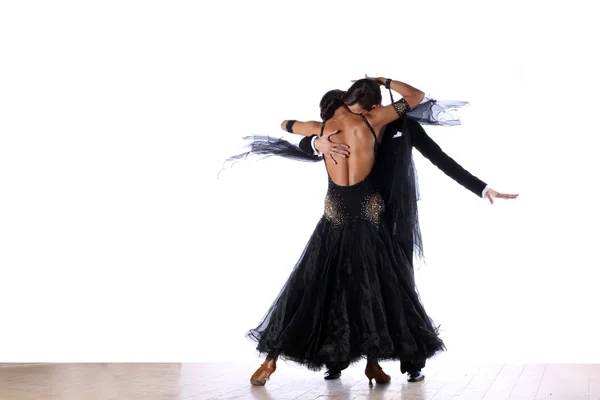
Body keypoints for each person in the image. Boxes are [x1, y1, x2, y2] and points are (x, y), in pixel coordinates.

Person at [248, 80, 446, 387]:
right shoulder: (372, 120)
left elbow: (286, 124)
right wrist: (385, 80)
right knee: (373, 289)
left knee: (312, 287)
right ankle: (372, 364)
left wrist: (318, 142)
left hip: (334, 216)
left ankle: (270, 361)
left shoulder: (322, 126)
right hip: (369, 215)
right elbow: (416, 97)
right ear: (369, 105)